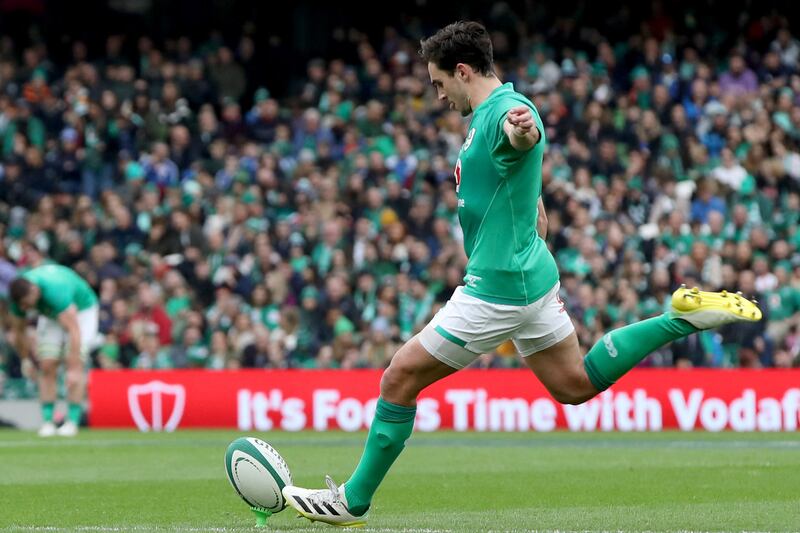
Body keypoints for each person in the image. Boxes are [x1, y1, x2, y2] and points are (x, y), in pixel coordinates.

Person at [282, 21, 763, 527]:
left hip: (498, 288)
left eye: (438, 83)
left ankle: (352, 500)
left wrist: (523, 132)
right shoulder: (490, 114)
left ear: (462, 71)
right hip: (532, 276)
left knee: (399, 377)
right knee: (574, 385)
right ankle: (680, 318)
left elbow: (523, 134)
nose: (438, 94)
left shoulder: (504, 114)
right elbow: (529, 200)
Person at [8, 264, 99, 437]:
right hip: (51, 314)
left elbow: (74, 330)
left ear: (34, 292)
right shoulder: (19, 298)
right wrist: (25, 359)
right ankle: (47, 421)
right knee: (47, 364)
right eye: (23, 306)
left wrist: (72, 368)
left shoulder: (55, 290)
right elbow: (18, 331)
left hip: (81, 312)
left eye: (28, 304)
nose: (26, 309)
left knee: (75, 363)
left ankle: (72, 421)